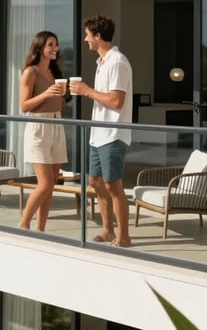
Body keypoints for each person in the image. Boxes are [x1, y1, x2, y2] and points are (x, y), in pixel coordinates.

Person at [69, 14, 133, 247]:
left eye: (88, 35)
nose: (86, 40)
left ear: (98, 36)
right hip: (98, 134)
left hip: (113, 134)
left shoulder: (117, 62)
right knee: (95, 181)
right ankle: (107, 231)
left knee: (113, 185)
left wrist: (87, 91)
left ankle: (124, 237)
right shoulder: (102, 63)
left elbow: (116, 101)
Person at [19, 31, 67, 231]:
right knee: (45, 184)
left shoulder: (54, 73)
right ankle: (23, 225)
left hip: (57, 124)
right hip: (38, 128)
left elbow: (58, 105)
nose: (55, 48)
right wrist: (47, 93)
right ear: (40, 47)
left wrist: (61, 96)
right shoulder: (31, 72)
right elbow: (24, 106)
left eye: (56, 44)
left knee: (53, 182)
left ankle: (41, 230)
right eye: (50, 44)